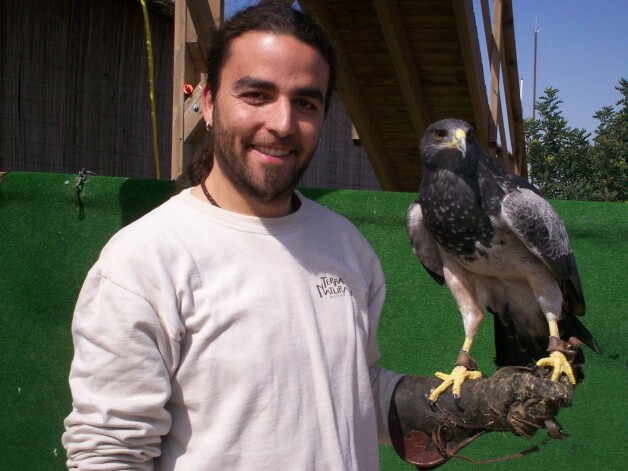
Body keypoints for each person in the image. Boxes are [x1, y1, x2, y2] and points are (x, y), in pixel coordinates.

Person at [63, 4, 573, 470]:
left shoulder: (347, 246)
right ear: (211, 103)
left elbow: (348, 394)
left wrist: (468, 406)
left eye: (305, 103)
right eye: (256, 94)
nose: (282, 123)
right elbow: (109, 451)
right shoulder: (141, 262)